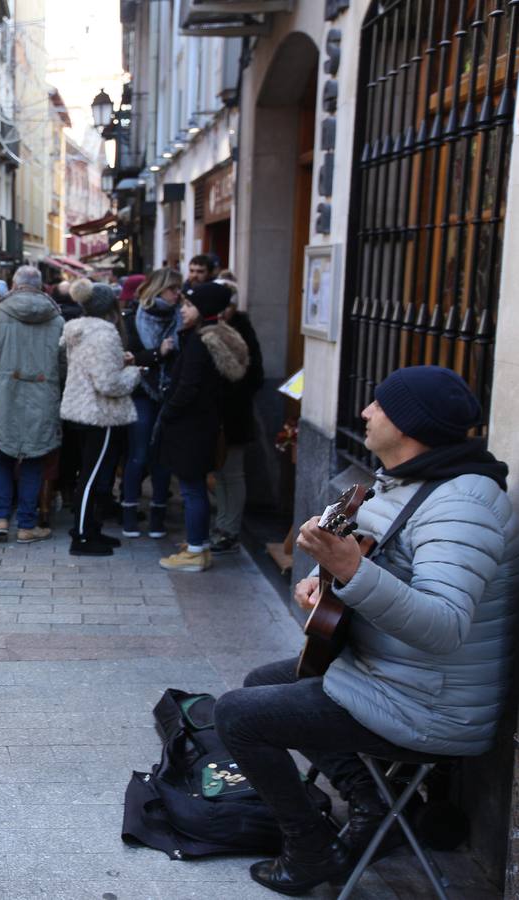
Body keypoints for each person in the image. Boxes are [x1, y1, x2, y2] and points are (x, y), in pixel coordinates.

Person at [213, 366, 518, 895]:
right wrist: (318, 579)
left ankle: (310, 852)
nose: (365, 413)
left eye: (378, 404)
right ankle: (370, 800)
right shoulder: (403, 483)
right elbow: (363, 551)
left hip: (429, 703)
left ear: (409, 424)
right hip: (388, 673)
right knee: (262, 682)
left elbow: (444, 626)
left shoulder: (464, 505)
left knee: (236, 716)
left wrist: (350, 573)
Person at [156, 281, 247, 572]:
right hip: (203, 424)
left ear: (203, 308)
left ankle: (195, 551)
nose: (182, 310)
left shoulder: (200, 342)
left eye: (188, 305)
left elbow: (188, 386)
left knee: (192, 489)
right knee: (195, 489)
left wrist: (168, 413)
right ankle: (200, 544)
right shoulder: (213, 336)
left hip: (191, 427)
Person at [0, 266, 63, 545]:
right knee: (34, 459)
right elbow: (63, 364)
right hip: (44, 397)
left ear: (13, 285)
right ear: (41, 286)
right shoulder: (57, 319)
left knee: (2, 457)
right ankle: (26, 524)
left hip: (5, 396)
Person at [59, 284, 141, 556]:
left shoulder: (79, 329)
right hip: (98, 412)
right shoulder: (105, 334)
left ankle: (90, 529)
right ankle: (82, 537)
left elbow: (91, 368)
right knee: (92, 475)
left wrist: (119, 360)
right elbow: (109, 383)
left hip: (80, 409)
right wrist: (133, 372)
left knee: (89, 472)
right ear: (111, 307)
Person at [120, 268, 181, 539]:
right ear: (158, 289)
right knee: (139, 454)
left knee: (163, 457)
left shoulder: (181, 318)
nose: (178, 294)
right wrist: (159, 353)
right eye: (173, 289)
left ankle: (158, 516)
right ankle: (129, 515)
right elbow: (131, 356)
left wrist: (147, 358)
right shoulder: (133, 316)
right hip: (141, 393)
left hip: (169, 394)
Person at [211, 280, 264, 554]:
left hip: (234, 416)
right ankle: (222, 524)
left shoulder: (241, 331)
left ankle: (229, 529)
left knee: (232, 473)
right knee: (221, 473)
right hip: (221, 416)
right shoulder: (217, 329)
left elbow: (254, 376)